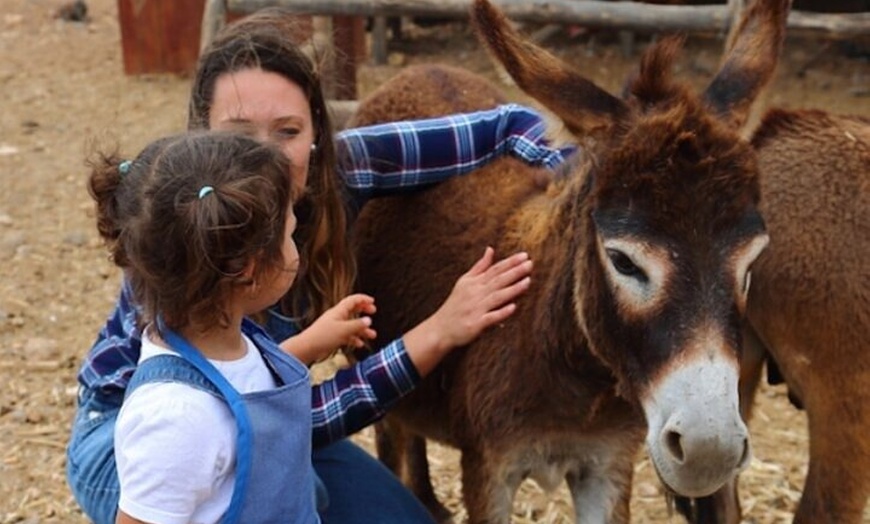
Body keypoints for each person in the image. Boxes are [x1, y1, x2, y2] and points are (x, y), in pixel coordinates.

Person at [67, 8, 571, 524]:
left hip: (253, 408)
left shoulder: (329, 180)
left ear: (317, 135)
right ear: (202, 139)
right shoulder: (186, 252)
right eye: (240, 132)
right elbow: (245, 414)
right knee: (290, 497)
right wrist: (436, 333)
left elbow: (515, 124)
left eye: (287, 130)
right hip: (130, 438)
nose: (268, 159)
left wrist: (572, 195)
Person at [89, 130, 533, 524]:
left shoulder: (218, 336)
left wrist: (313, 342)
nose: (296, 242)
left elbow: (239, 389)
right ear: (248, 269)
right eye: (289, 232)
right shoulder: (175, 420)